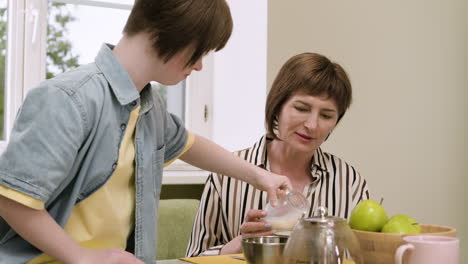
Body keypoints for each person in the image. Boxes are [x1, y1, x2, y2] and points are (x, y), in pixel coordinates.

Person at [0, 0, 291, 263]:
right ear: (171, 34)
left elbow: (190, 144)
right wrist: (84, 257)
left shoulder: (148, 108)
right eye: (199, 52)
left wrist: (260, 176)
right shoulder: (66, 99)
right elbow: (11, 200)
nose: (200, 66)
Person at [186, 52, 370, 257]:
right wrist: (239, 245)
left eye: (326, 115)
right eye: (301, 108)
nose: (312, 125)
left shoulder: (350, 183)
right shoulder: (225, 176)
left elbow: (361, 258)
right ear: (277, 106)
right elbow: (192, 259)